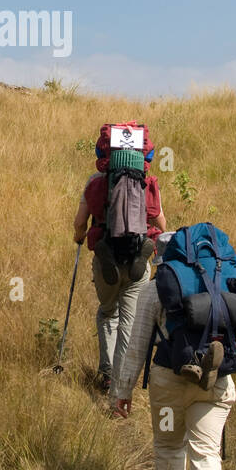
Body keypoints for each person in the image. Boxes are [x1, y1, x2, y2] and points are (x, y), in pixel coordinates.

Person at [110, 229, 236, 470]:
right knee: (205, 450)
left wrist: (123, 392)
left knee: (169, 444)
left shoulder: (155, 289)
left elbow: (135, 348)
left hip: (168, 382)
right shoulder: (220, 282)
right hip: (217, 384)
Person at [73, 133, 165, 400]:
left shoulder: (95, 182)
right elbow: (161, 224)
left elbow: (80, 222)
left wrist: (79, 236)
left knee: (107, 313)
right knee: (130, 321)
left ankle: (107, 372)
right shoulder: (146, 182)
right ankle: (119, 388)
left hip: (106, 259)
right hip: (138, 256)